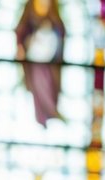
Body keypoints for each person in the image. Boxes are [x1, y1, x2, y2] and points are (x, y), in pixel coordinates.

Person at [15, 0, 66, 128]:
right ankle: (41, 117)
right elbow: (20, 34)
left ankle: (50, 113)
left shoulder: (53, 20)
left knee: (47, 87)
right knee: (37, 88)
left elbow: (61, 33)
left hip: (49, 66)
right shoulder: (29, 17)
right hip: (34, 65)